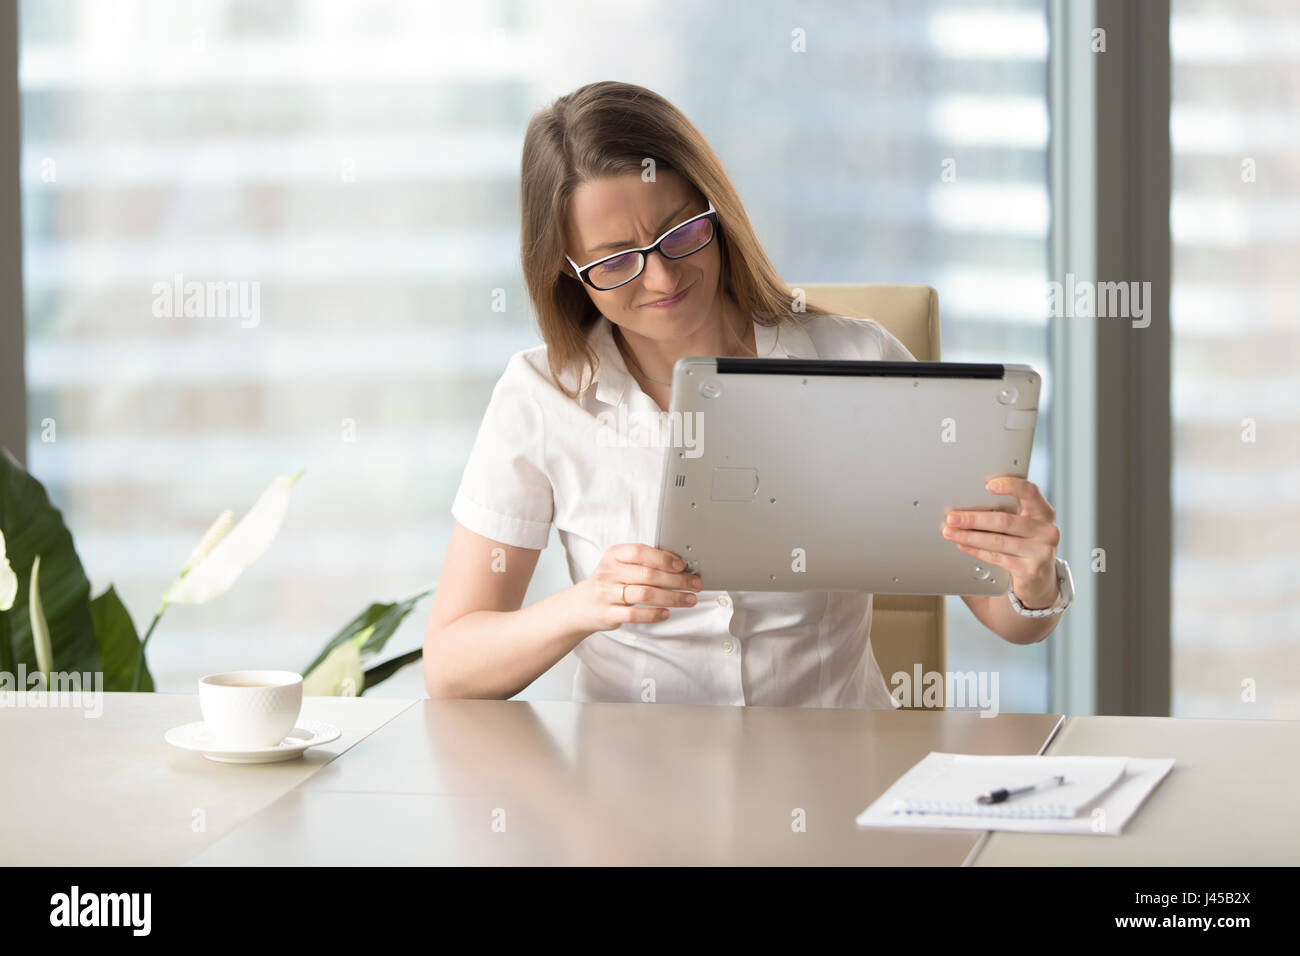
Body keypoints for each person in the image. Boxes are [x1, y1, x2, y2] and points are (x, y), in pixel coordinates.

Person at [424, 81, 1070, 707]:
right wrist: (584, 606)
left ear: (717, 212)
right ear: (568, 272)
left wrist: (1030, 574)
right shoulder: (541, 396)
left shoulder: (855, 359)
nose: (662, 276)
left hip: (838, 774)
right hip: (631, 788)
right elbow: (451, 668)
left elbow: (1012, 620)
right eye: (616, 259)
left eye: (679, 232)